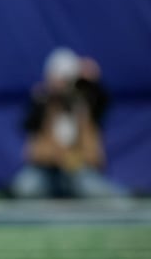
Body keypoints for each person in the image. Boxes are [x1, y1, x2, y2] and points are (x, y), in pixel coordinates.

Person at [9, 47, 129, 199]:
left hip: (79, 171)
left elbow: (103, 102)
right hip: (47, 171)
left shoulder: (85, 103)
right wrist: (41, 100)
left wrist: (94, 81)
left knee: (96, 189)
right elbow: (27, 125)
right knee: (26, 187)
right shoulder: (41, 102)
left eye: (66, 79)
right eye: (58, 79)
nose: (62, 85)